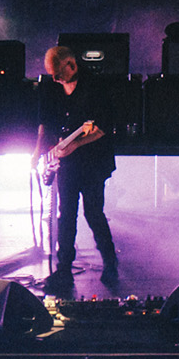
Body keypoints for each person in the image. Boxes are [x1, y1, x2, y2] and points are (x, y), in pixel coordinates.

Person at [35, 45, 117, 292]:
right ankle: (63, 271)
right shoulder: (53, 88)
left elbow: (102, 127)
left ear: (72, 65)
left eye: (58, 74)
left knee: (93, 213)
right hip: (68, 163)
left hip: (93, 161)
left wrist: (76, 144)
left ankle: (110, 262)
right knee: (66, 214)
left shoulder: (95, 87)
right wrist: (39, 150)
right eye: (52, 74)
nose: (55, 79)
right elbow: (45, 122)